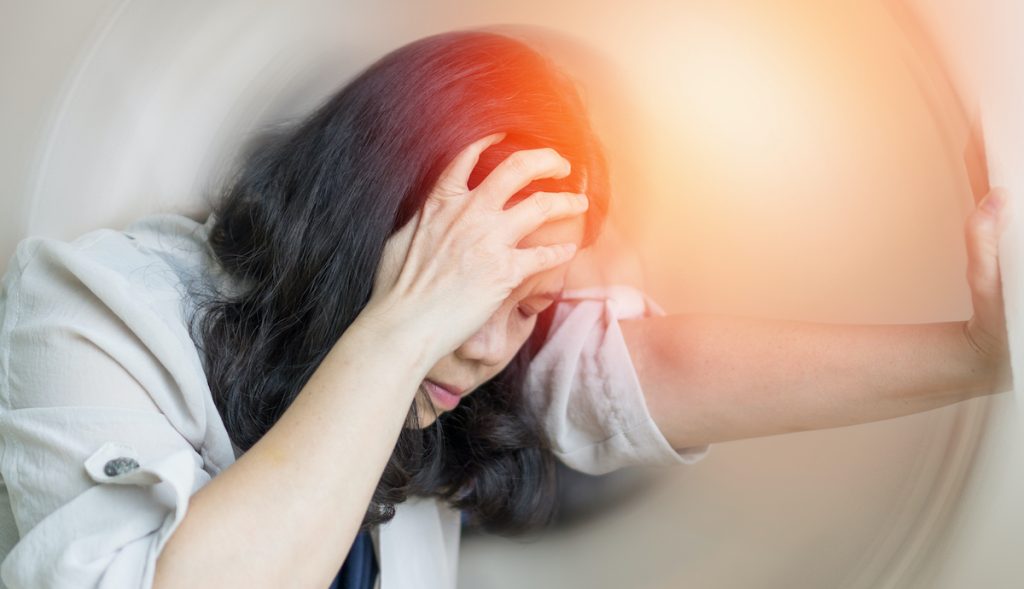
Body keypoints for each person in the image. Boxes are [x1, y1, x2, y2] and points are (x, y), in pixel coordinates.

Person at [0, 27, 1012, 589]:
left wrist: (977, 355)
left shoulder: (465, 366)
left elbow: (650, 371)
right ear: (362, 222)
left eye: (529, 306)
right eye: (467, 285)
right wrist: (402, 327)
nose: (490, 345)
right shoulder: (95, 308)